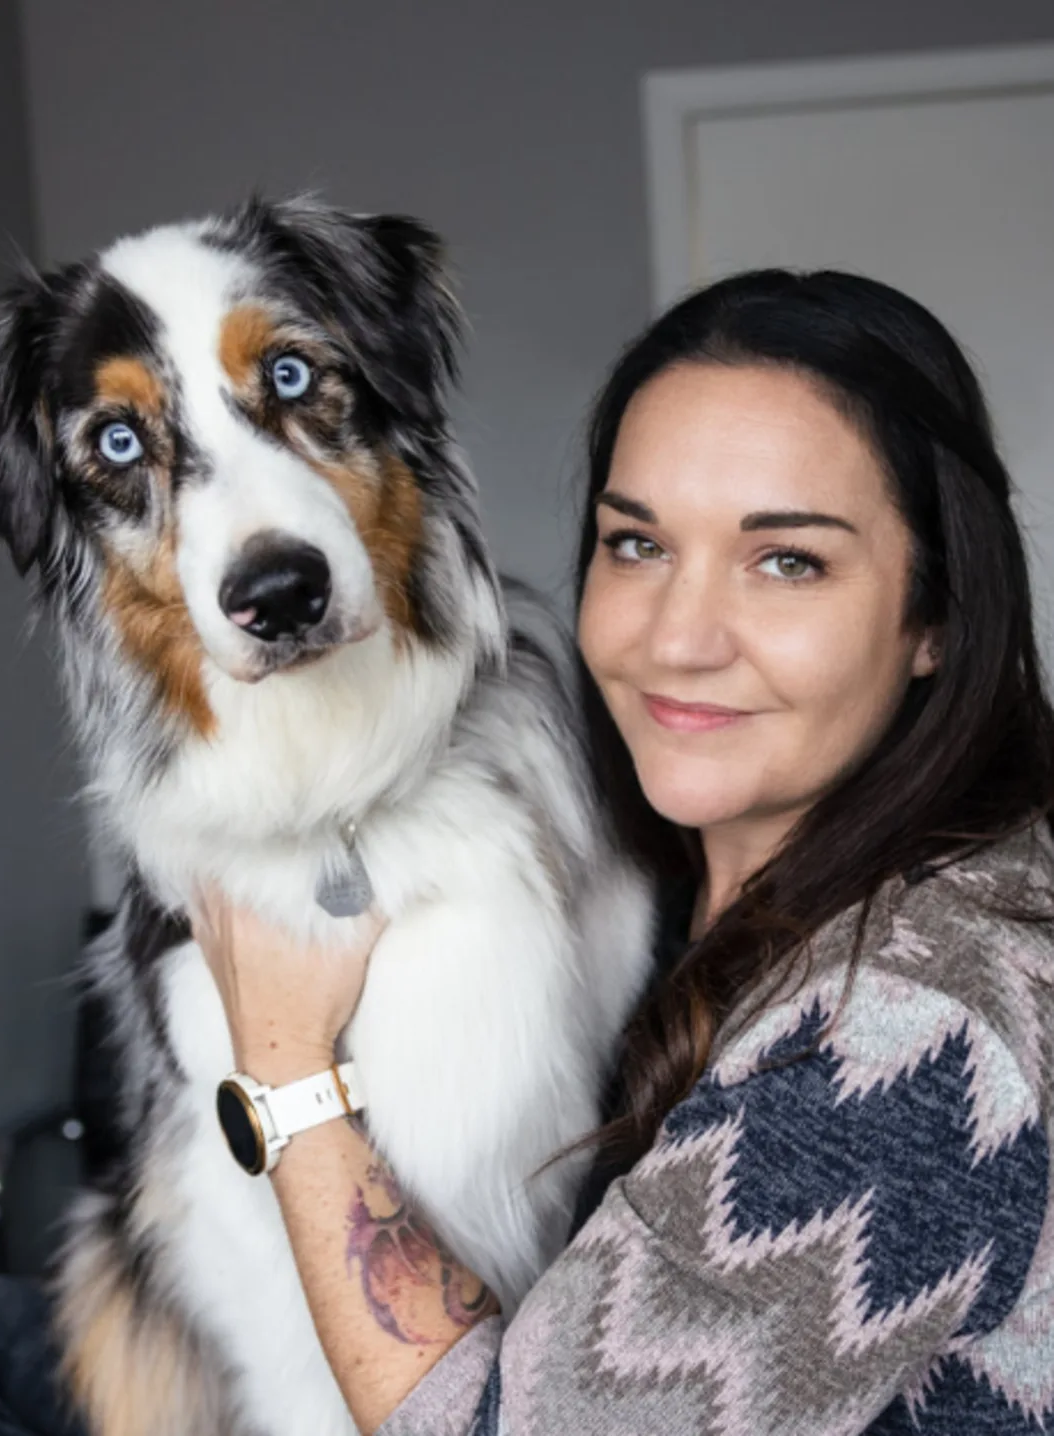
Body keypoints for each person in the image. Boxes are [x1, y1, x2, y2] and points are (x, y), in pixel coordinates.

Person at [192, 267, 1054, 1435]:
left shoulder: (910, 1031)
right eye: (637, 544)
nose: (676, 640)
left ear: (935, 620)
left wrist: (286, 1067)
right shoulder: (681, 884)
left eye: (786, 559)